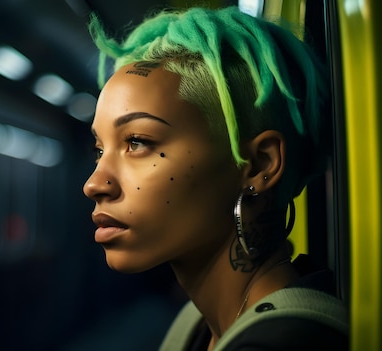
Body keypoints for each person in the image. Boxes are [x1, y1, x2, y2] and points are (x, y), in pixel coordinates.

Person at [82, 6, 348, 351]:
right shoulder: (199, 326)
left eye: (137, 142)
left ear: (259, 163)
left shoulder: (288, 342)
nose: (94, 183)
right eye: (99, 150)